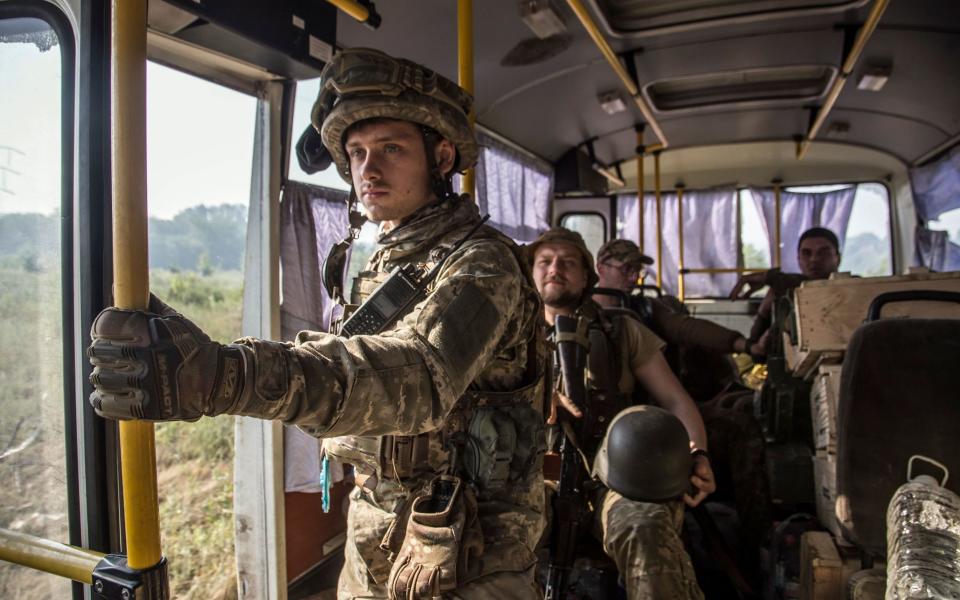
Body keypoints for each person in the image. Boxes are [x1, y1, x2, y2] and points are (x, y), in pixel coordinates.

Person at [88, 48, 548, 600]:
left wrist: (227, 375)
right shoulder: (381, 259)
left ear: (442, 156)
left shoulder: (483, 264)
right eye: (356, 153)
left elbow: (420, 377)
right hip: (379, 528)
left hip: (475, 550)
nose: (367, 170)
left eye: (391, 149)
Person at [529, 227, 715, 600]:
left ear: (587, 276)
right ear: (530, 273)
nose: (555, 269)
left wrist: (698, 455)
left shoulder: (620, 330)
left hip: (613, 478)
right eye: (544, 261)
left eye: (567, 262)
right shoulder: (505, 336)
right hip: (527, 483)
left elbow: (675, 401)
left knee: (646, 529)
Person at [594, 238, 771, 589]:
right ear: (600, 267)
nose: (632, 277)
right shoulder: (574, 314)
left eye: (636, 270)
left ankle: (755, 546)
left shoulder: (643, 312)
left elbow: (687, 330)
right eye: (624, 268)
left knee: (742, 428)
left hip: (659, 415)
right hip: (606, 424)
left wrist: (745, 345)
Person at [729, 227, 842, 361]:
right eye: (806, 253)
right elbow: (758, 354)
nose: (814, 259)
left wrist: (771, 278)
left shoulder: (857, 288)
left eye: (823, 253)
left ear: (837, 258)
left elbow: (818, 286)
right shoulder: (784, 292)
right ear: (798, 259)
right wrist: (763, 312)